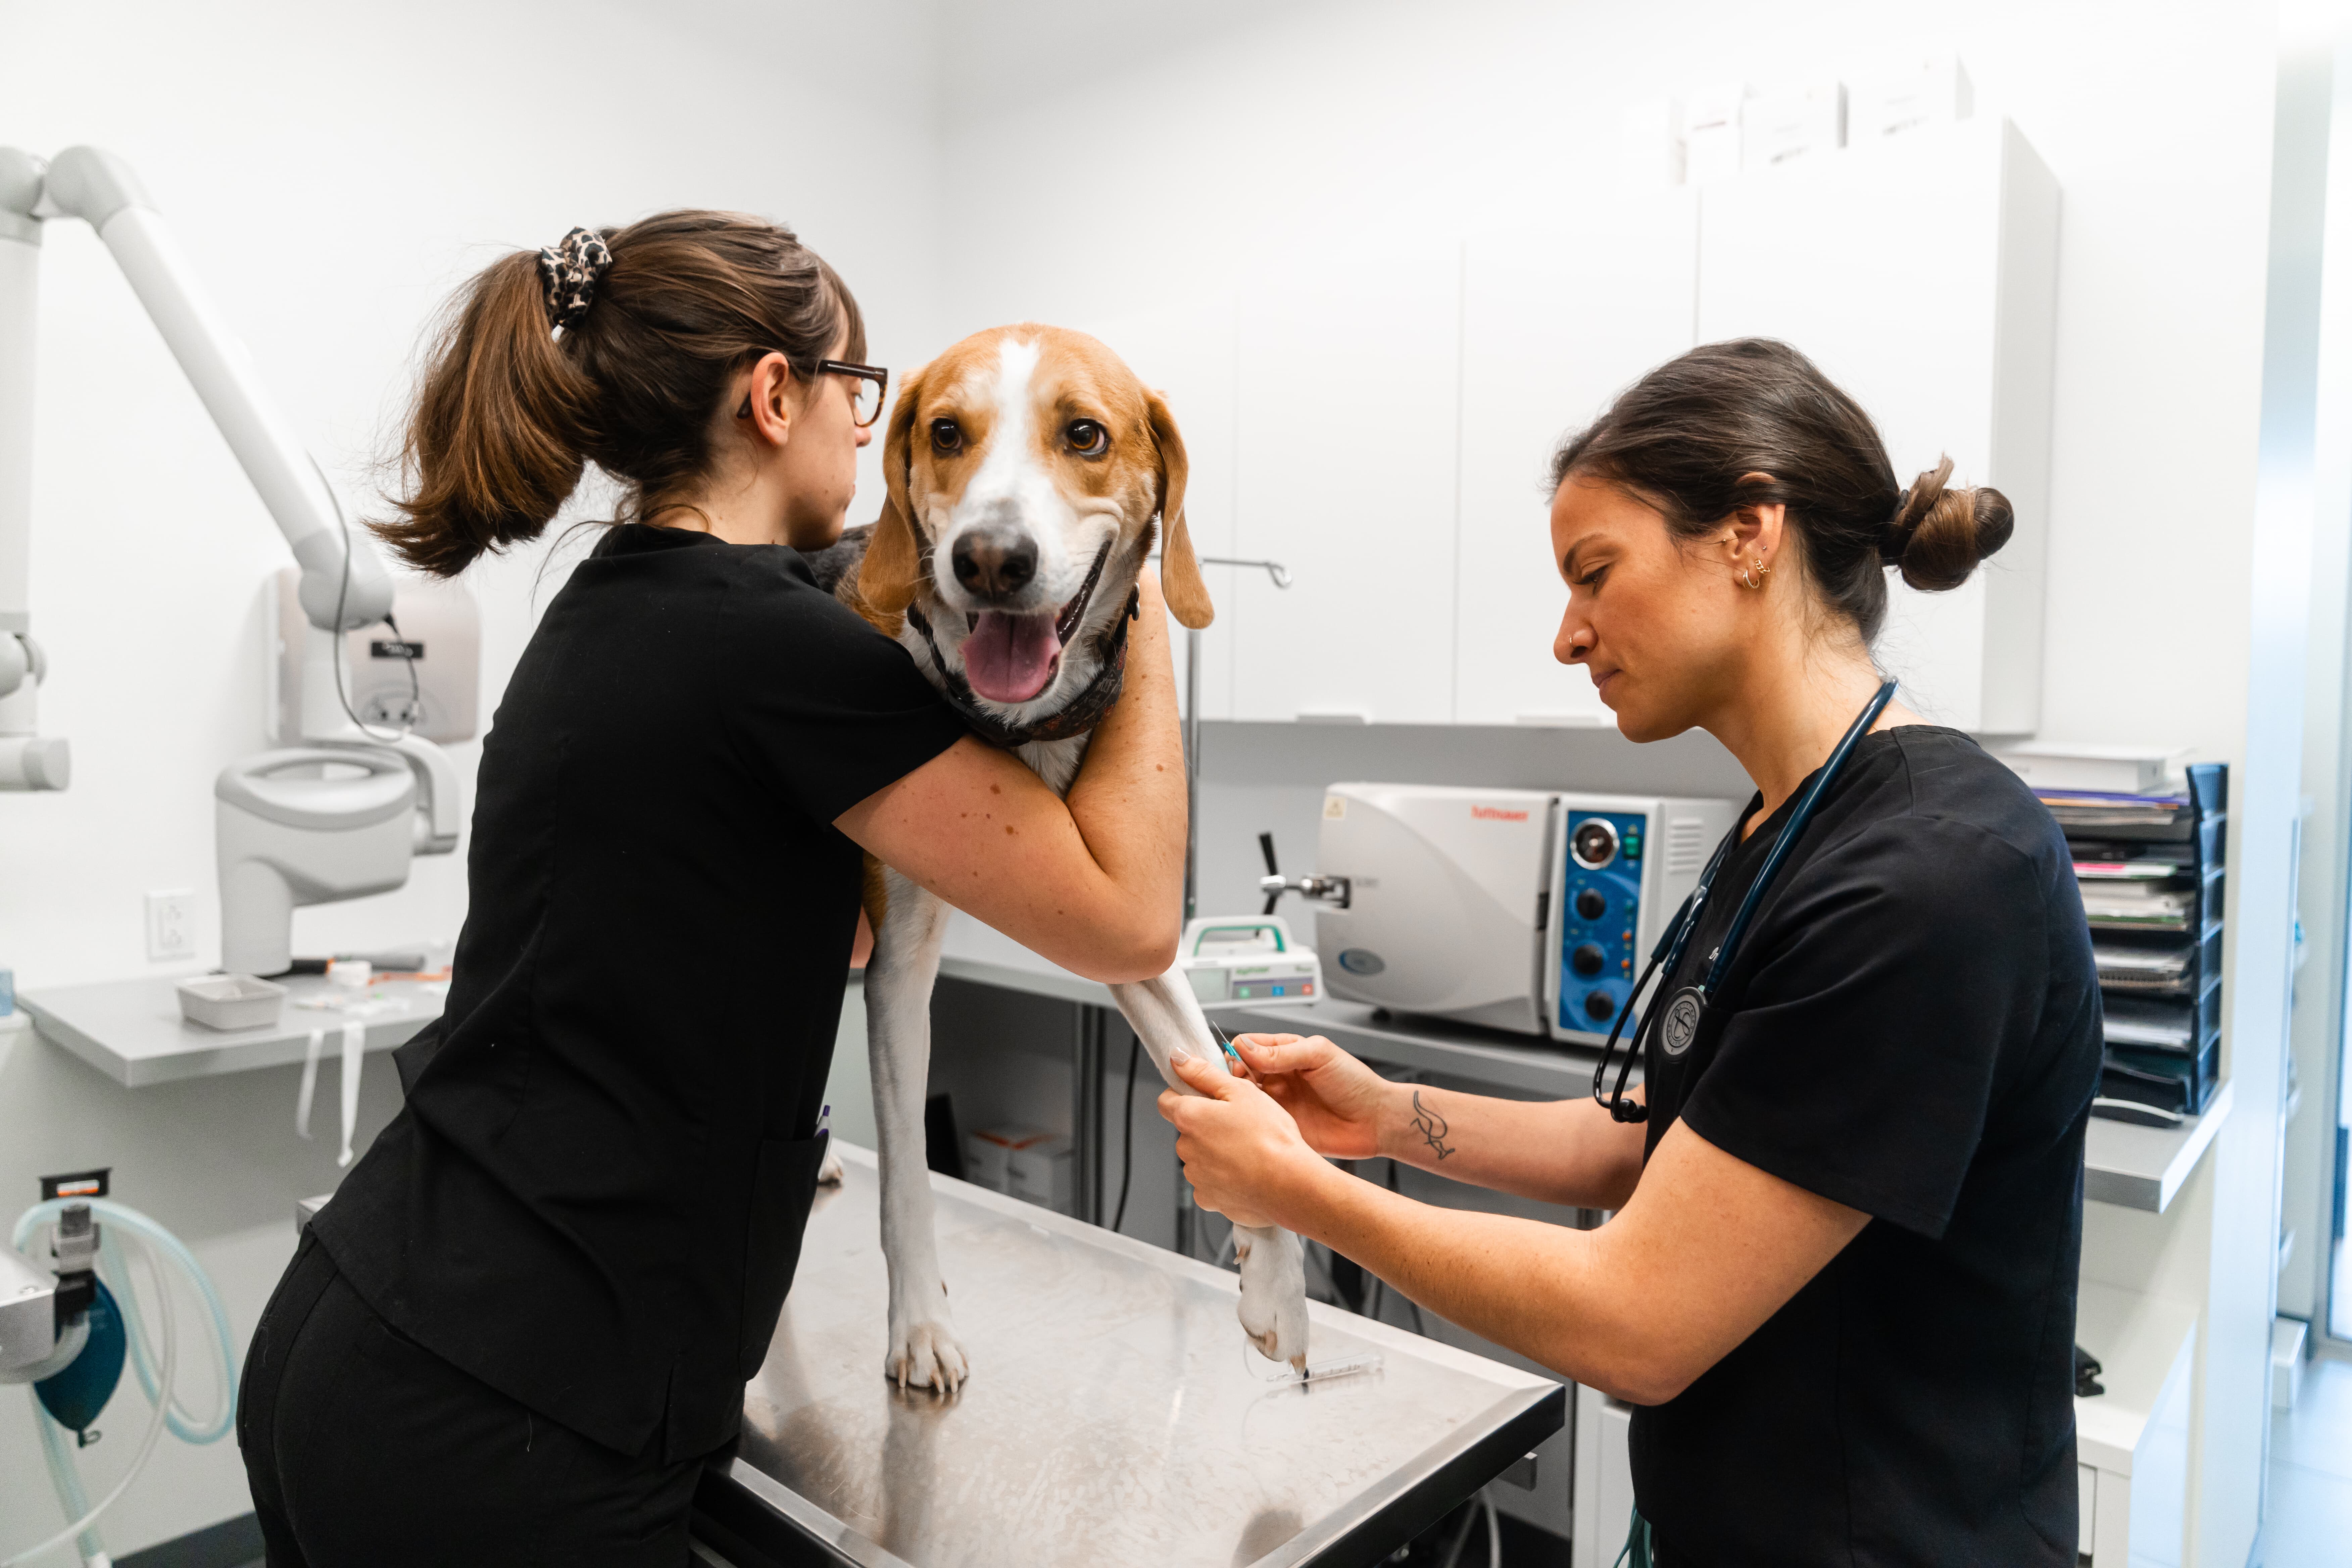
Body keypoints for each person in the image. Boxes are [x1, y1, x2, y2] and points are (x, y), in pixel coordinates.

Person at [236, 212, 1188, 1566]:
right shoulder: (786, 653)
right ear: (776, 395)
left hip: (370, 1325)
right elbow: (1131, 916)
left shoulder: (619, 599)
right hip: (514, 1415)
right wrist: (1123, 565)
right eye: (866, 399)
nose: (871, 438)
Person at [1161, 338, 2101, 1566]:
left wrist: (1300, 1195)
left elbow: (1638, 1321)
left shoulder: (1933, 876)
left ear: (1749, 537)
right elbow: (1663, 1138)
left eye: (1594, 573)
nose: (1568, 635)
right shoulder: (1788, 822)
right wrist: (1387, 1115)